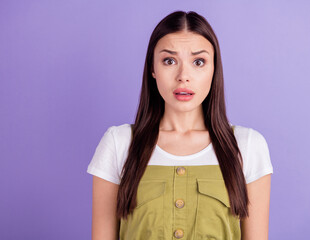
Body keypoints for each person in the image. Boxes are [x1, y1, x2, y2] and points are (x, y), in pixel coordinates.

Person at [87, 10, 273, 240]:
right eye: (169, 60)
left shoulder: (247, 146)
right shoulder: (119, 143)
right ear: (153, 69)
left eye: (198, 62)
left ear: (214, 69)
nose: (183, 76)